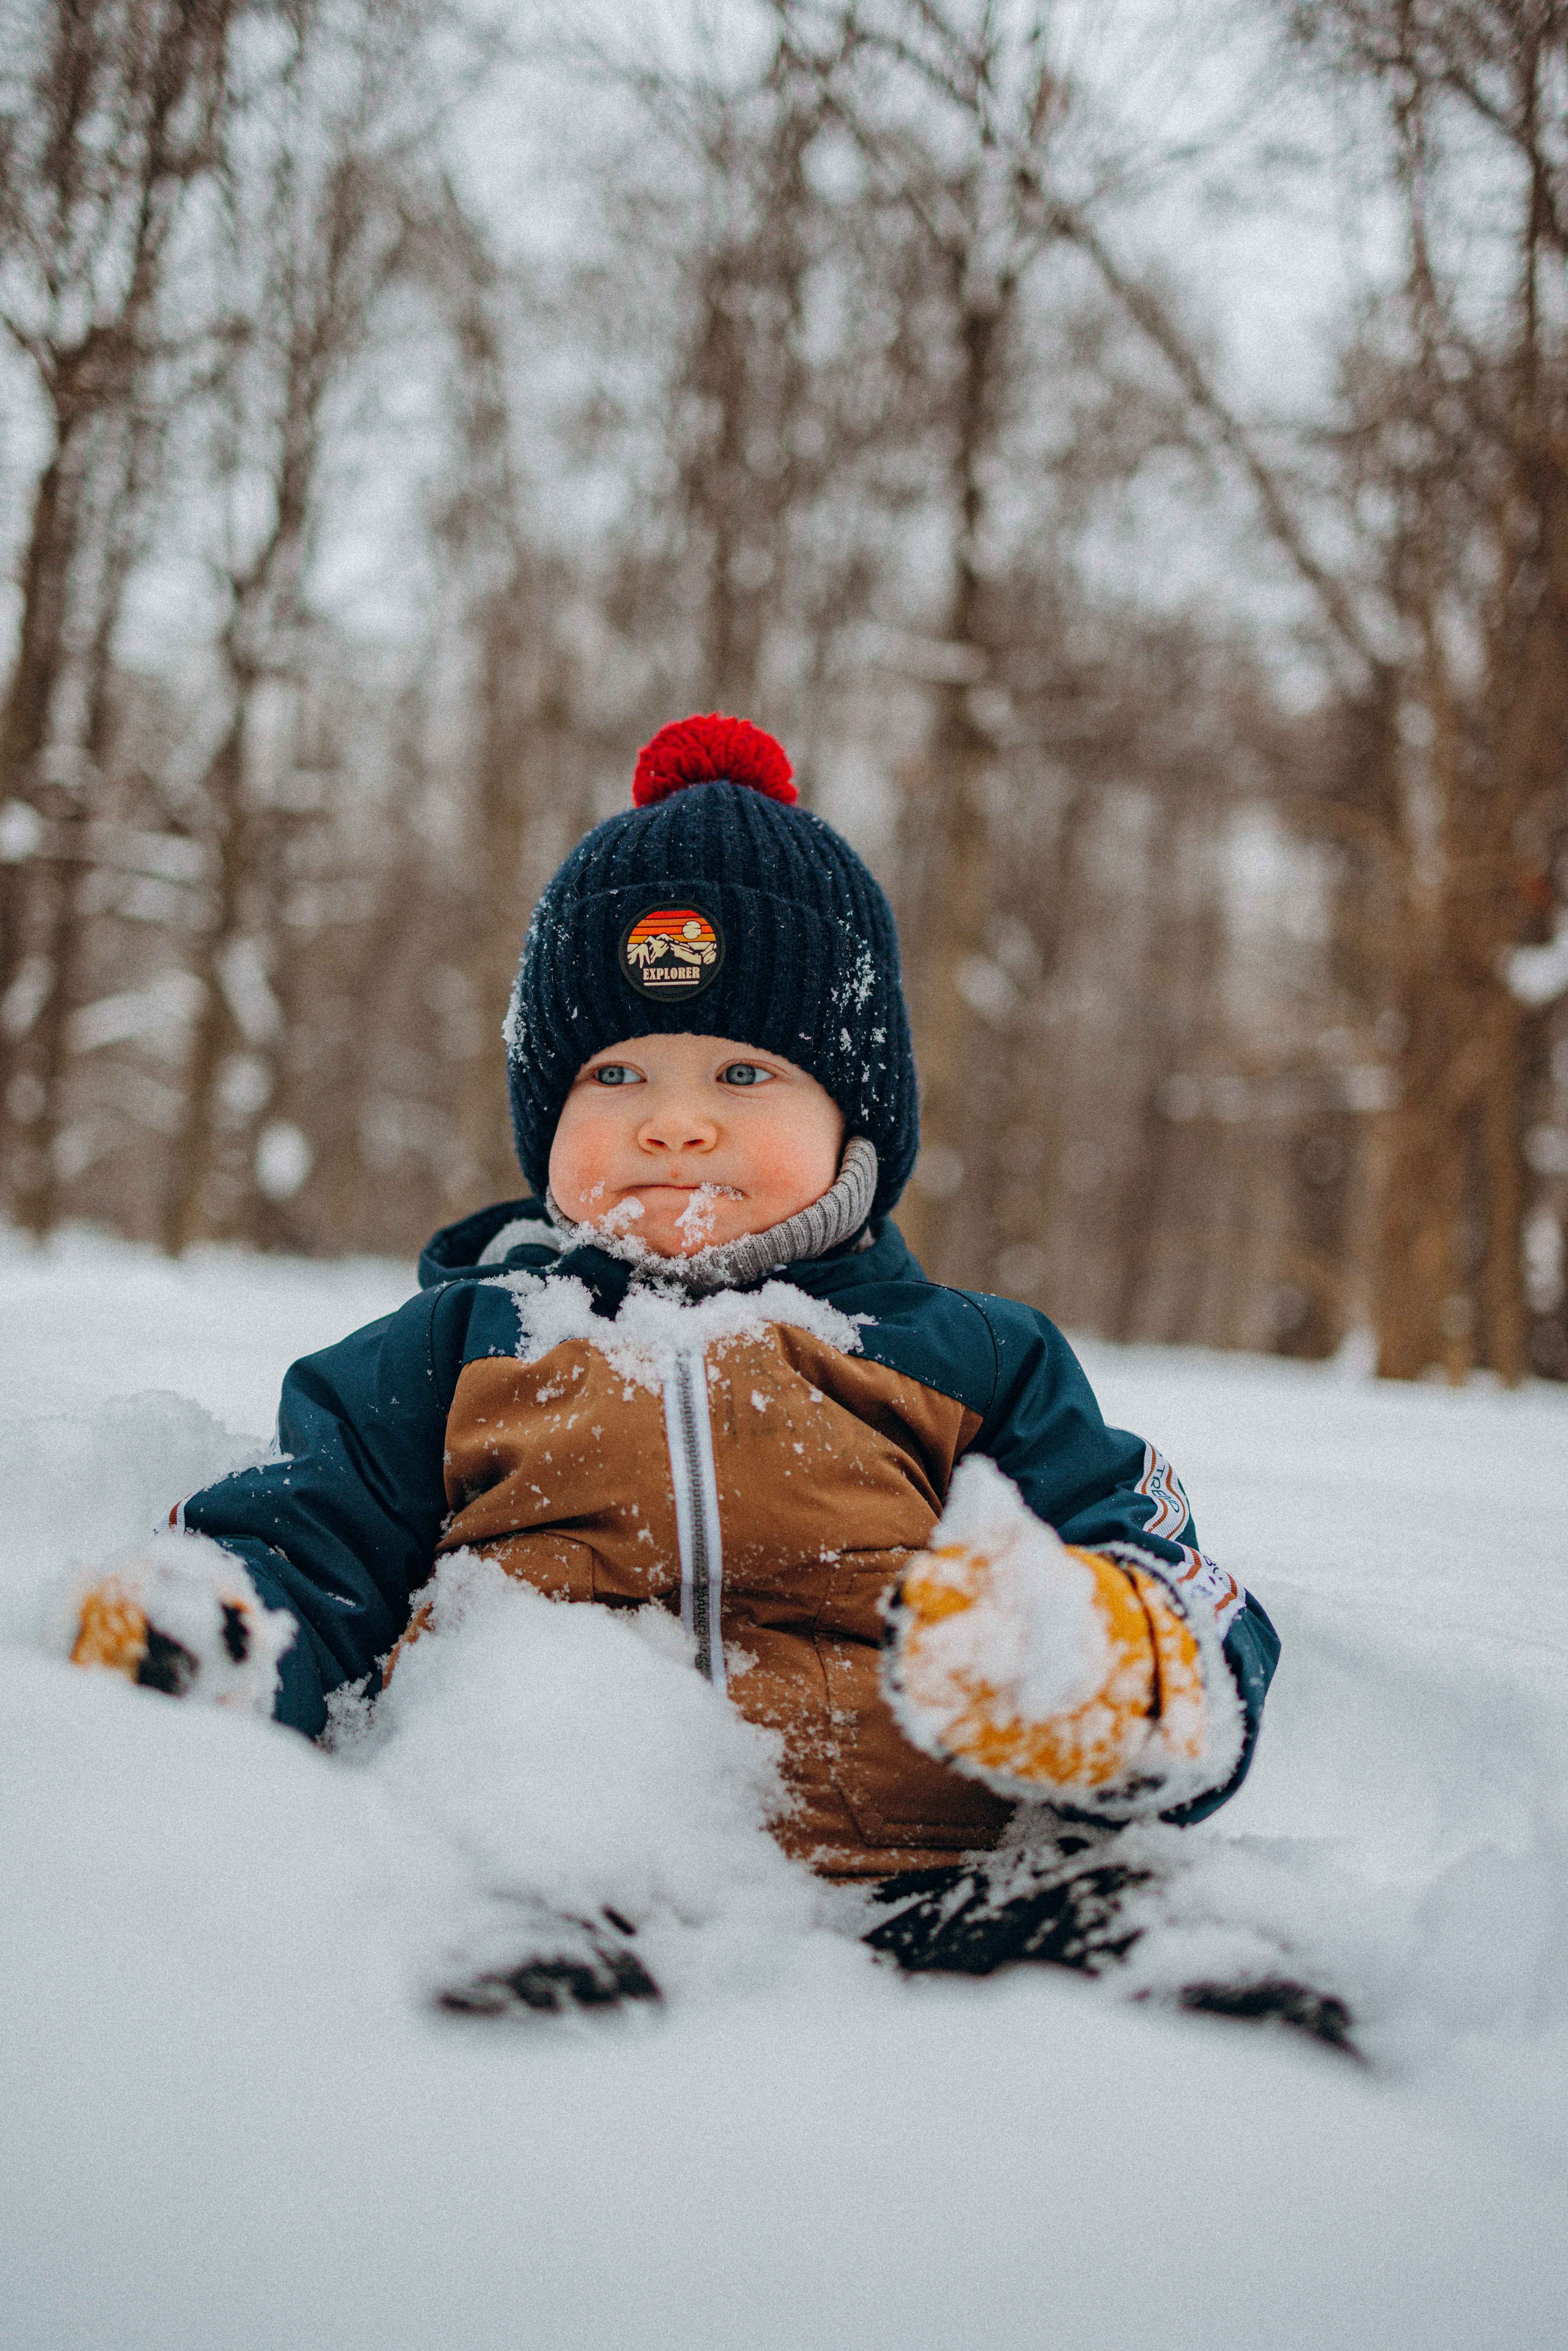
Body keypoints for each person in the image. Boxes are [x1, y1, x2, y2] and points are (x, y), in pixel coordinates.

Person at [61, 712, 1288, 2021]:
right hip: (556, 1860)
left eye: (746, 1069)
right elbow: (308, 1538)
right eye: (617, 1070)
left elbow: (1153, 1559)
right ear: (548, 1113)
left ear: (852, 1117)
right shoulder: (466, 1343)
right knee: (466, 1967)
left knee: (1167, 1924)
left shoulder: (970, 1358)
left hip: (923, 1887)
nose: (675, 1118)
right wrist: (218, 1627)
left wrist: (1107, 1668)